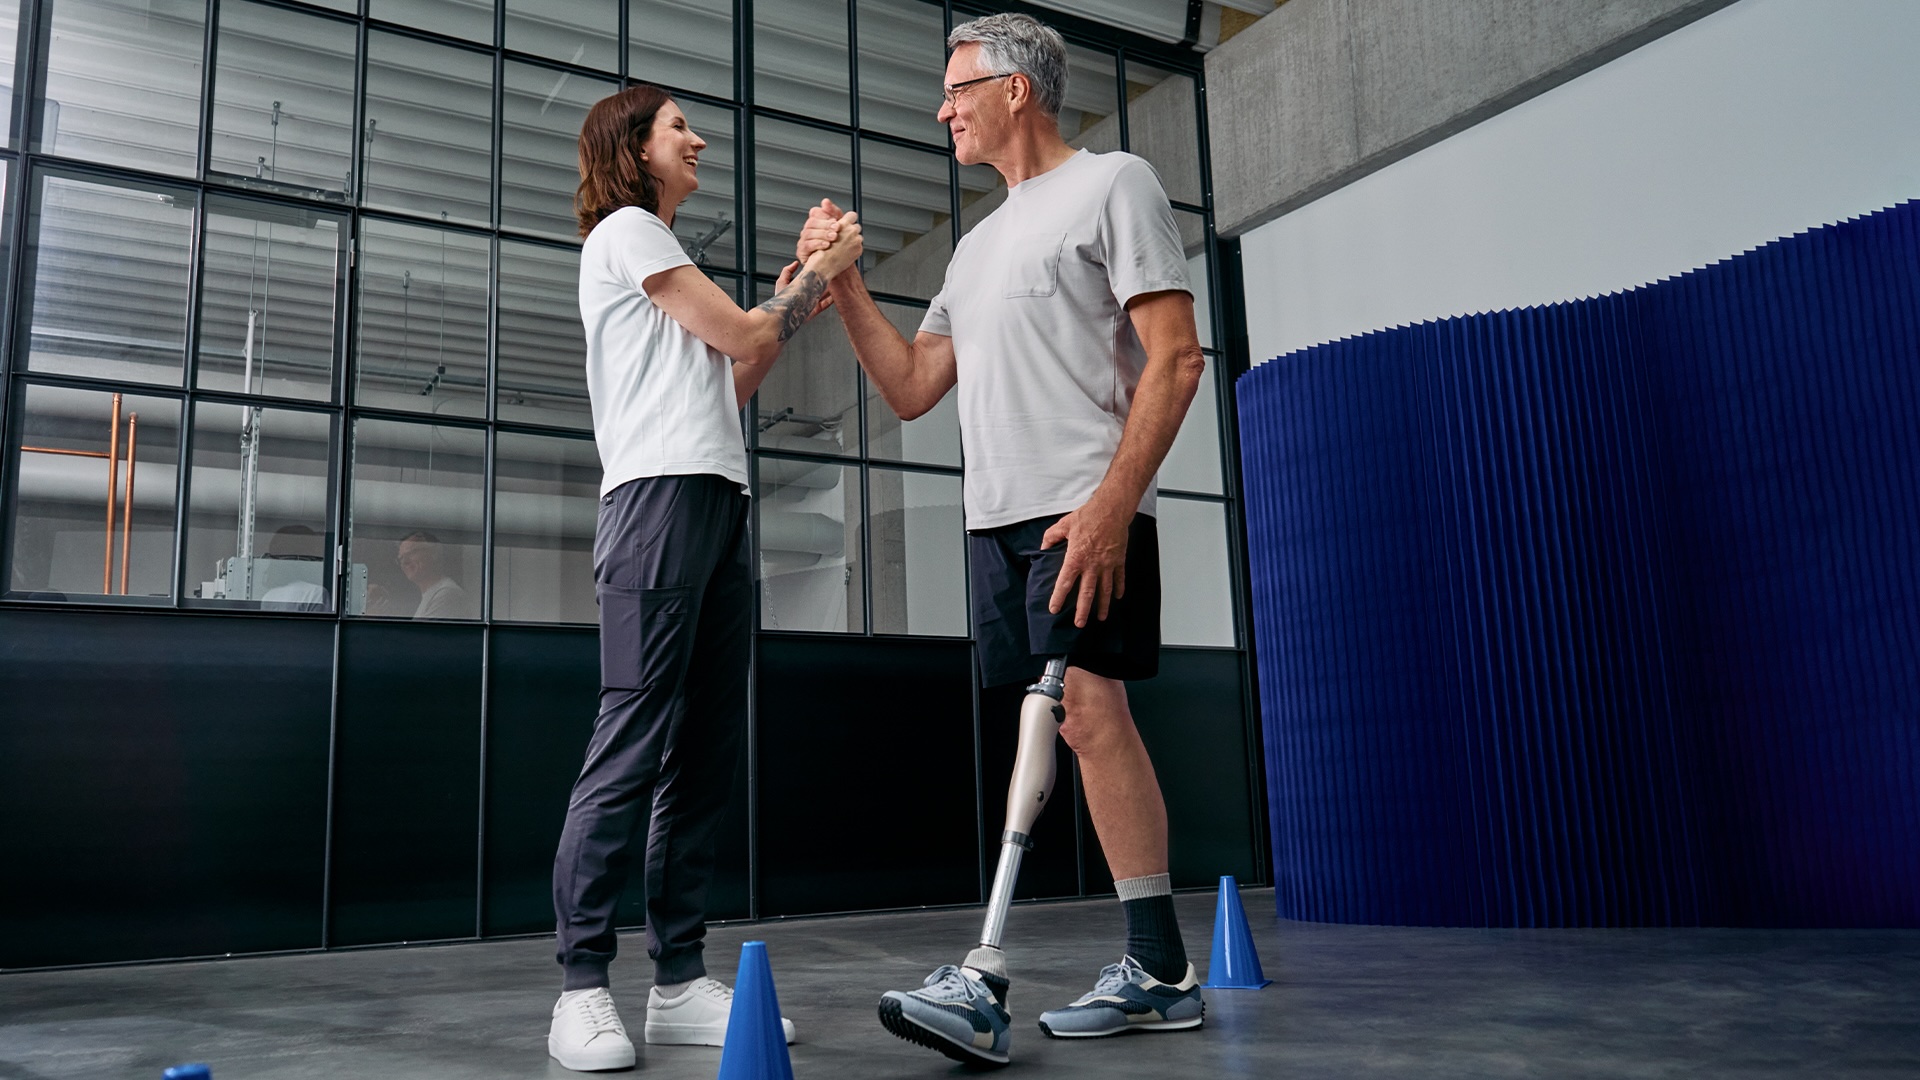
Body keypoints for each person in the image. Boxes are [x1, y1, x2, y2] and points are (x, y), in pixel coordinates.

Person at [797, 12, 1208, 1066]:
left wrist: (1116, 504)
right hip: (997, 516)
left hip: (1084, 501)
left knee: (1081, 706)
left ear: (1016, 88)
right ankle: (1157, 969)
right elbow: (911, 387)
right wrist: (843, 283)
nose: (943, 108)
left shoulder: (1114, 184)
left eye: (957, 88)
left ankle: (1012, 971)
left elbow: (1175, 359)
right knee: (1076, 721)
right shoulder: (977, 248)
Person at [545, 84, 863, 1073]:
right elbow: (747, 332)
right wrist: (814, 276)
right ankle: (580, 989)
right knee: (633, 735)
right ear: (632, 149)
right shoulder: (629, 231)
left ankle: (678, 982)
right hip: (654, 506)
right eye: (677, 127)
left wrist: (792, 295)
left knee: (704, 749)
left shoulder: (663, 254)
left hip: (717, 499)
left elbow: (728, 382)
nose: (697, 139)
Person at [394, 530, 473, 619]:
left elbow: (421, 633)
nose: (405, 562)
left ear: (434, 553)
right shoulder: (432, 595)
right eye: (401, 558)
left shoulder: (447, 594)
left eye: (411, 553)